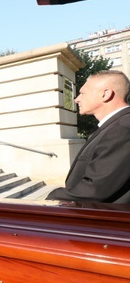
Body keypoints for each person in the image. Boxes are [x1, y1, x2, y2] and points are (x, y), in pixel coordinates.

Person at [47, 71, 130, 203]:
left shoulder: (123, 128)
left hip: (108, 220)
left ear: (106, 94)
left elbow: (96, 188)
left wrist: (52, 198)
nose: (77, 99)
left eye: (83, 93)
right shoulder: (113, 126)